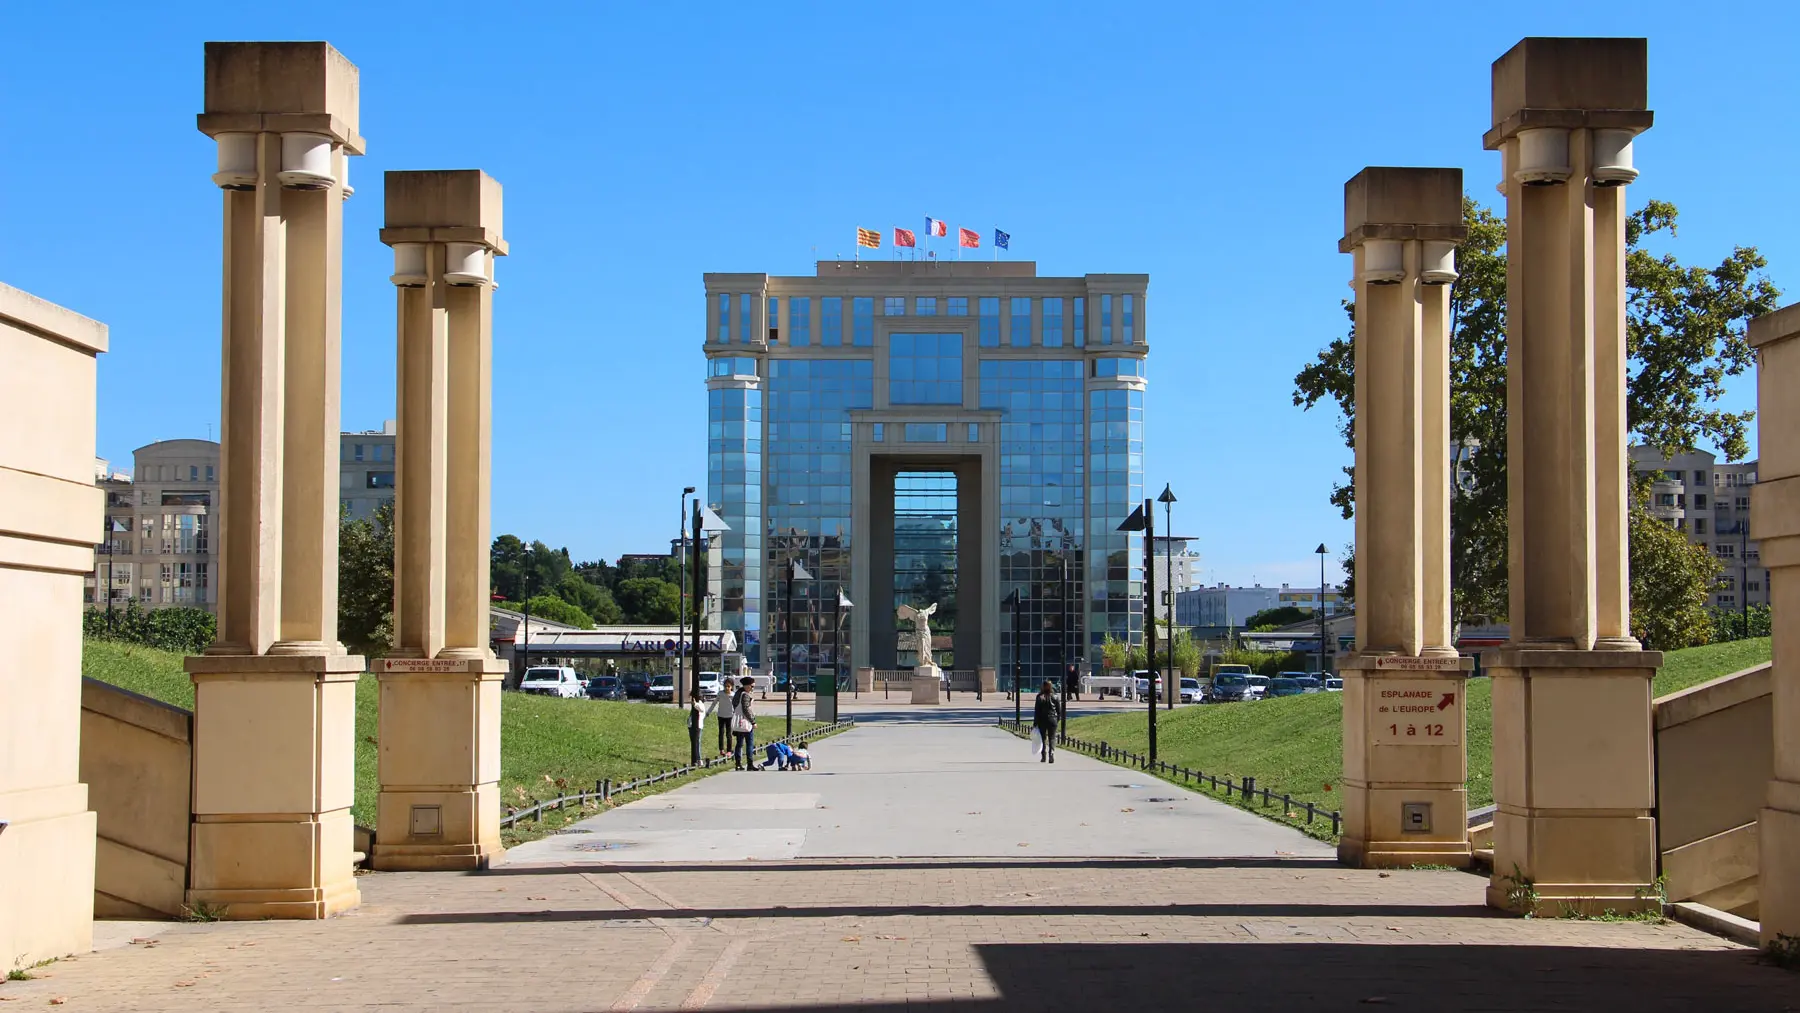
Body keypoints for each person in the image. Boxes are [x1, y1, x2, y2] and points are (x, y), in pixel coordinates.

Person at [732, 675, 760, 770]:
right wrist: (753, 722)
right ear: (746, 686)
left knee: (739, 743)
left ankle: (738, 764)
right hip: (746, 723)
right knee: (749, 743)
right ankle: (750, 764)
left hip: (739, 722)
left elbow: (735, 706)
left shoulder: (737, 694)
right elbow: (746, 709)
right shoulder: (745, 695)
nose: (753, 688)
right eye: (752, 686)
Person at [1033, 679, 1061, 763]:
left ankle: (1043, 755)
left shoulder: (1039, 697)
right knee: (1052, 737)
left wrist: (1035, 722)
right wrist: (1057, 719)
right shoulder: (1055, 696)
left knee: (1043, 738)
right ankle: (1051, 752)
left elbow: (1037, 711)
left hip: (1042, 720)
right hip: (1053, 719)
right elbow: (1059, 710)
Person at [706, 681, 732, 755]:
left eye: (728, 686)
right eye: (725, 686)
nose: (727, 688)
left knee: (728, 733)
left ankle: (729, 750)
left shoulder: (733, 695)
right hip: (721, 715)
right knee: (721, 732)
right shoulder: (720, 693)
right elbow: (714, 703)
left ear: (731, 687)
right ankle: (721, 749)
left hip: (730, 716)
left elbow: (737, 705)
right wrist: (708, 712)